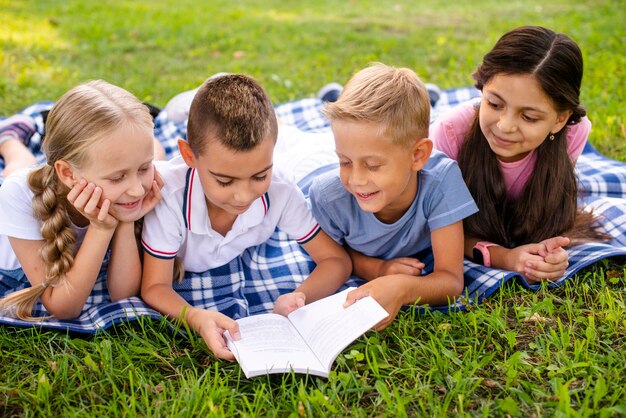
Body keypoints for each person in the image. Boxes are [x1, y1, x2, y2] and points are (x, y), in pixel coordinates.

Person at [140, 74, 352, 360]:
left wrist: (300, 296)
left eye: (259, 176)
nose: (242, 196)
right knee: (153, 156)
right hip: (165, 166)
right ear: (190, 156)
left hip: (289, 145)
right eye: (225, 181)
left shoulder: (280, 188)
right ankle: (189, 100)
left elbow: (335, 260)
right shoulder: (168, 196)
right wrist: (196, 317)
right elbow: (154, 287)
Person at [305, 63, 479, 330]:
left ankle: (427, 99)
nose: (356, 180)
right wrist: (379, 270)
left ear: (418, 155)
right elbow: (336, 256)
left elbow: (450, 281)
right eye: (344, 162)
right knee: (297, 144)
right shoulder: (327, 196)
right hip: (308, 166)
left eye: (373, 166)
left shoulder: (441, 181)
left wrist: (402, 287)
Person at [430, 25, 607, 282]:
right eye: (494, 104)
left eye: (529, 116)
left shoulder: (574, 132)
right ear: (481, 89)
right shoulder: (448, 134)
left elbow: (542, 211)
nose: (505, 126)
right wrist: (508, 258)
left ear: (559, 120)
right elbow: (440, 230)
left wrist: (547, 255)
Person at [0, 80, 163, 321]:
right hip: (20, 194)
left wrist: (126, 220)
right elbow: (63, 308)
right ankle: (9, 138)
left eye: (143, 168)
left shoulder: (128, 189)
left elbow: (124, 295)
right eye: (117, 177)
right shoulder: (19, 196)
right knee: (17, 168)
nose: (138, 191)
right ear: (68, 174)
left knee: (157, 158)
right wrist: (100, 228)